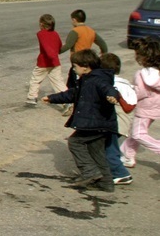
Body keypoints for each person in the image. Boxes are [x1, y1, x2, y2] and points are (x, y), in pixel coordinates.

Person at [44, 49, 120, 192]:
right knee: (96, 151)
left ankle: (90, 172)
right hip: (99, 123)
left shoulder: (98, 80)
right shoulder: (86, 80)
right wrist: (52, 98)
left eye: (75, 66)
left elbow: (109, 89)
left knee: (75, 142)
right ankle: (106, 182)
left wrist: (112, 96)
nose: (73, 69)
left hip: (96, 122)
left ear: (85, 66)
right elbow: (72, 94)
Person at [120, 39, 160, 171]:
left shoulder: (141, 75)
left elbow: (139, 93)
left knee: (138, 134)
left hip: (144, 108)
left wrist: (127, 91)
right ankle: (128, 156)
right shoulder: (158, 73)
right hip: (156, 108)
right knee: (135, 132)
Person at [100, 53, 135, 185]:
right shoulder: (125, 83)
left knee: (110, 149)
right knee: (108, 147)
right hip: (124, 123)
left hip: (115, 123)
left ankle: (121, 173)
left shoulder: (112, 84)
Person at [60, 9, 108, 92]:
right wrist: (103, 53)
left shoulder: (75, 31)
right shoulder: (91, 31)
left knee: (73, 82)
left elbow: (68, 45)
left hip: (77, 60)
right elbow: (103, 44)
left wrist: (56, 51)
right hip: (87, 59)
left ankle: (71, 98)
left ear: (74, 19)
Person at [26, 14, 63, 104]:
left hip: (44, 62)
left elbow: (46, 46)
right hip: (55, 62)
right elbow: (60, 46)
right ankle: (67, 99)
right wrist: (54, 55)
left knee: (35, 79)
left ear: (42, 24)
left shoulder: (41, 34)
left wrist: (51, 55)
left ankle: (32, 97)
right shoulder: (55, 33)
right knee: (58, 82)